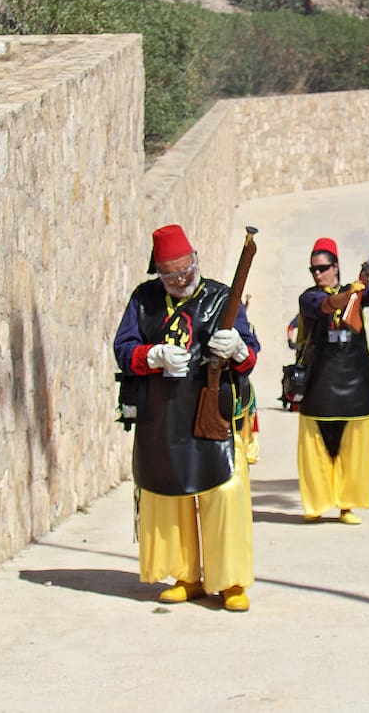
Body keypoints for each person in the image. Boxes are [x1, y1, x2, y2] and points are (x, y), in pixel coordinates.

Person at [112, 224, 259, 611]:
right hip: (161, 417)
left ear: (196, 261)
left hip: (212, 413)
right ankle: (185, 577)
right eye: (171, 273)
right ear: (157, 271)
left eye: (186, 269)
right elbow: (124, 348)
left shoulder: (223, 298)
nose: (181, 279)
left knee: (225, 493)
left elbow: (252, 357)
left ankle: (231, 582)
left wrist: (239, 348)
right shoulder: (143, 300)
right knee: (167, 497)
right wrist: (152, 356)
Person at [296, 237, 369, 524]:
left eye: (322, 268)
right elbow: (327, 306)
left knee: (353, 443)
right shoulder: (309, 296)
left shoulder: (356, 292)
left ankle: (348, 504)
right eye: (313, 270)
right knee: (318, 443)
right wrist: (351, 292)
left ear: (335, 267)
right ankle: (317, 503)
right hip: (321, 379)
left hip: (356, 376)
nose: (317, 274)